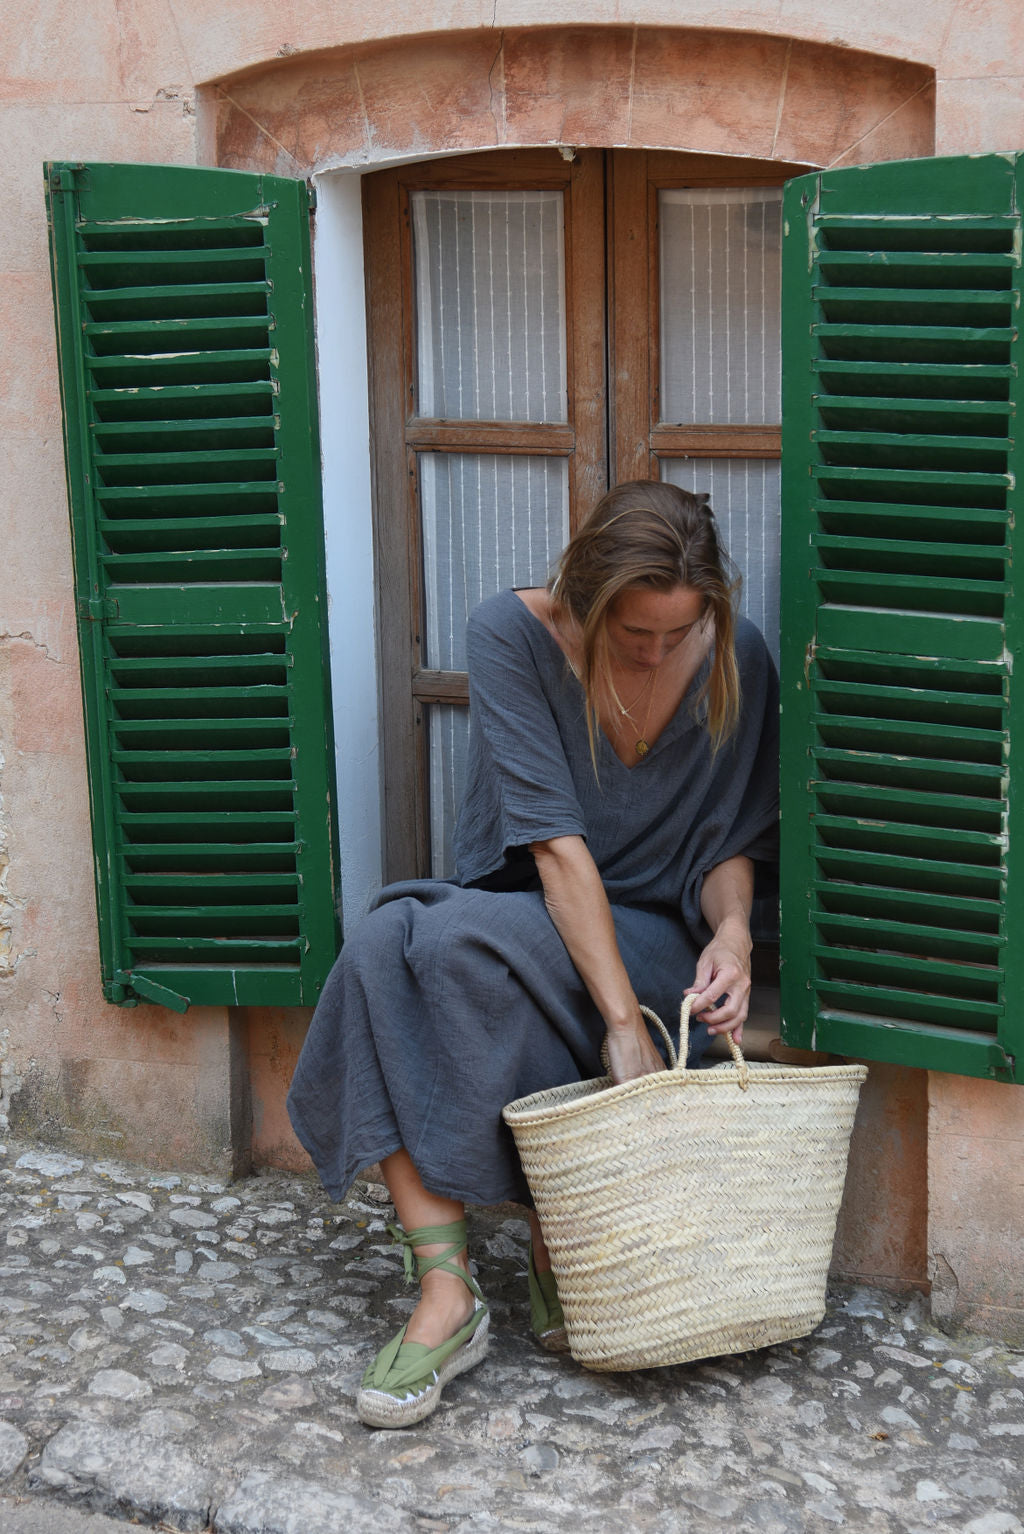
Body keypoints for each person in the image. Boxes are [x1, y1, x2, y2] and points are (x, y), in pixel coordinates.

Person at [287, 480, 779, 1428]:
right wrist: (616, 1030)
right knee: (393, 944)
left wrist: (731, 934)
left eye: (678, 633)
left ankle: (534, 1262)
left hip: (655, 943)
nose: (658, 651)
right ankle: (450, 1289)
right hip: (541, 908)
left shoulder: (738, 654)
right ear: (584, 596)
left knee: (423, 939)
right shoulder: (509, 633)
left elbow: (728, 845)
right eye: (636, 633)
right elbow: (555, 851)